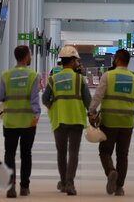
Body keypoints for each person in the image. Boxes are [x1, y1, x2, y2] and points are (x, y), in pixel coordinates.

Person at [88, 49, 134, 196]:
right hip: (127, 123)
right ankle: (119, 187)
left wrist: (91, 112)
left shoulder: (108, 76)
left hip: (109, 122)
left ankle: (111, 171)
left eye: (115, 57)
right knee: (122, 155)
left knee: (105, 151)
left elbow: (98, 96)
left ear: (118, 60)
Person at [42, 46, 91, 196]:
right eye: (76, 60)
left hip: (59, 119)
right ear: (72, 61)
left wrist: (53, 107)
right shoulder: (79, 79)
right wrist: (93, 115)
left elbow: (45, 99)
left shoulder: (53, 79)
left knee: (61, 152)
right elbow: (88, 101)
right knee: (73, 152)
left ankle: (63, 183)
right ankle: (70, 183)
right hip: (76, 119)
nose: (77, 62)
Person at [0, 45, 40, 198]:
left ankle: (10, 187)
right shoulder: (33, 75)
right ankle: (24, 187)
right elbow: (34, 99)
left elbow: (0, 96)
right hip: (28, 122)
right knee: (26, 154)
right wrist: (36, 115)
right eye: (30, 55)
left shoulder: (6, 75)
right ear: (27, 56)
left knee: (9, 154)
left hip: (10, 122)